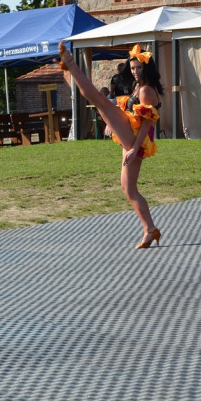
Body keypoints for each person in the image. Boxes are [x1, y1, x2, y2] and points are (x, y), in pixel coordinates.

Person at [59, 42, 163, 248]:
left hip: (136, 137)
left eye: (139, 68)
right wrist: (111, 123)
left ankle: (70, 63)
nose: (135, 71)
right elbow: (126, 110)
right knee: (128, 188)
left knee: (96, 98)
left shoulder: (146, 91)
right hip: (129, 132)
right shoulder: (137, 87)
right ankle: (150, 229)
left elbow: (148, 123)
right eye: (132, 68)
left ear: (147, 67)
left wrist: (134, 148)